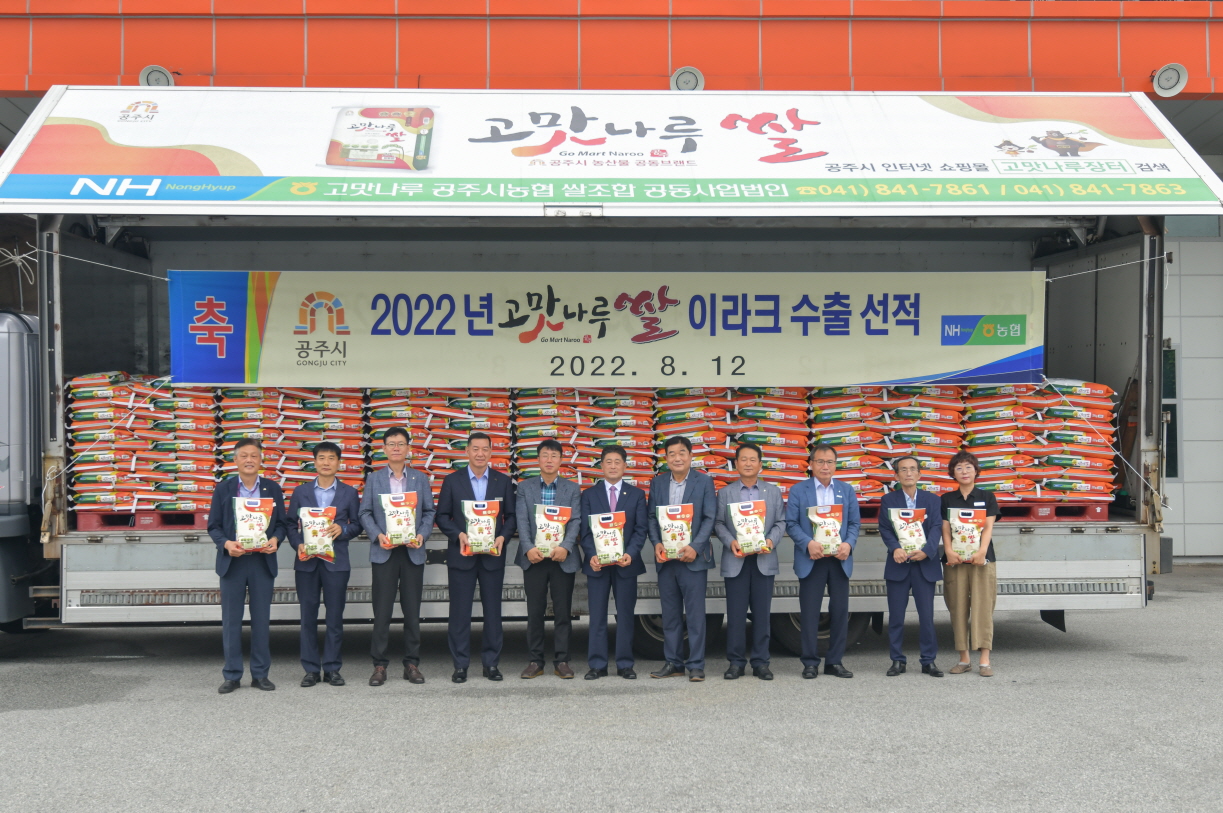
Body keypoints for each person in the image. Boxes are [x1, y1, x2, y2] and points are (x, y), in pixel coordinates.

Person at [208, 438, 288, 694]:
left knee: (261, 620)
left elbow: (281, 523)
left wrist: (276, 540)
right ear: (235, 460)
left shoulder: (272, 488)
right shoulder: (224, 489)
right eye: (244, 455)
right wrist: (226, 544)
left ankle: (260, 674)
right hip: (233, 562)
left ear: (261, 459)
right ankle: (232, 675)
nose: (249, 460)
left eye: (254, 455)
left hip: (261, 562)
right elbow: (213, 526)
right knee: (231, 621)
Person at [436, 432, 517, 683]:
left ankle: (491, 664)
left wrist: (503, 536)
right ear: (467, 451)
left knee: (493, 612)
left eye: (485, 449)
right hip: (462, 556)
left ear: (491, 452)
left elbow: (511, 516)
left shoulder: (503, 481)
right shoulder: (452, 481)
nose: (480, 453)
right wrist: (458, 534)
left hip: (492, 556)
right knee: (460, 612)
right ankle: (460, 665)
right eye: (475, 449)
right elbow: (442, 516)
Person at [359, 426, 436, 687]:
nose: (396, 448)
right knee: (381, 612)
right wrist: (378, 535)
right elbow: (364, 513)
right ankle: (379, 665)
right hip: (384, 552)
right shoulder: (374, 479)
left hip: (412, 552)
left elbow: (429, 512)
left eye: (401, 444)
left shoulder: (420, 479)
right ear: (384, 449)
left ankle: (411, 663)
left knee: (412, 612)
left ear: (408, 448)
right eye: (391, 444)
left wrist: (422, 535)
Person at [287, 441, 362, 687]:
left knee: (335, 617)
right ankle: (310, 669)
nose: (326, 462)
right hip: (307, 562)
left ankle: (332, 668)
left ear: (339, 463)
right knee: (307, 616)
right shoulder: (301, 492)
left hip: (336, 563)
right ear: (315, 462)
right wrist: (297, 543)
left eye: (331, 458)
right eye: (321, 458)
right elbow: (290, 524)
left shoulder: (349, 493)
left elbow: (358, 524)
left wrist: (343, 529)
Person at [785, 443, 861, 679]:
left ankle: (835, 662)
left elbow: (854, 523)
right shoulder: (799, 490)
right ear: (811, 464)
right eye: (820, 461)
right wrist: (808, 543)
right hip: (812, 558)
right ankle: (809, 662)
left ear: (835, 465)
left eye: (829, 462)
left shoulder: (846, 490)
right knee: (810, 613)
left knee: (840, 611)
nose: (825, 466)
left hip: (839, 559)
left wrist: (848, 544)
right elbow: (791, 523)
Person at [646, 436, 717, 682]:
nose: (677, 458)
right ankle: (673, 663)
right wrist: (656, 543)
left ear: (690, 456)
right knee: (670, 614)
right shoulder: (657, 483)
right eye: (672, 454)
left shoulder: (704, 481)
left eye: (682, 453)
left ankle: (696, 665)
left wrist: (695, 547)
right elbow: (652, 517)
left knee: (695, 615)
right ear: (666, 458)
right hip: (666, 560)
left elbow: (709, 518)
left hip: (693, 559)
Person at [714, 442, 785, 681]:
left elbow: (781, 522)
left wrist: (770, 541)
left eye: (752, 459)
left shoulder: (772, 492)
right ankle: (736, 663)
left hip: (764, 559)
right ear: (736, 464)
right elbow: (718, 523)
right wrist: (730, 542)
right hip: (736, 559)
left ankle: (761, 662)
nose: (748, 463)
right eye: (743, 459)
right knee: (735, 615)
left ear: (760, 464)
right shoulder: (725, 493)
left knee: (762, 615)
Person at [578, 445, 648, 680]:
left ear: (625, 466)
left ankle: (625, 664)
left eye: (618, 461)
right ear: (601, 466)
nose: (613, 466)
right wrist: (591, 554)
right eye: (608, 461)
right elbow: (585, 531)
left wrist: (631, 553)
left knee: (626, 615)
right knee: (597, 616)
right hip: (597, 565)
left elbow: (641, 530)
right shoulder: (589, 494)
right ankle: (597, 665)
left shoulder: (636, 494)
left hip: (626, 564)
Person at [514, 439, 582, 679]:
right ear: (538, 459)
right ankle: (535, 661)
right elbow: (522, 520)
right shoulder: (525, 487)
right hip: (534, 558)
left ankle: (562, 661)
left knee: (563, 612)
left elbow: (575, 520)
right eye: (545, 455)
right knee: (535, 612)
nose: (549, 460)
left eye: (554, 455)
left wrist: (566, 547)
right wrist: (528, 548)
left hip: (562, 558)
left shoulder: (572, 488)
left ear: (561, 460)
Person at [877, 455, 944, 678]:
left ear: (919, 474)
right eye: (903, 470)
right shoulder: (889, 500)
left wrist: (927, 551)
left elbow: (936, 527)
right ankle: (897, 660)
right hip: (898, 564)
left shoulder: (932, 500)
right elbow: (885, 528)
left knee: (926, 617)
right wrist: (895, 547)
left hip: (925, 564)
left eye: (912, 469)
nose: (908, 473)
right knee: (896, 617)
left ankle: (928, 661)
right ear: (896, 475)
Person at [940, 450, 1000, 677]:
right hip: (955, 561)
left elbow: (988, 527)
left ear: (976, 471)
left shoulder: (987, 497)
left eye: (968, 467)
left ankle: (985, 660)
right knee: (957, 607)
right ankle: (964, 659)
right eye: (959, 468)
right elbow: (945, 528)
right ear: (952, 473)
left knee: (983, 607)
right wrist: (948, 551)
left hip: (982, 560)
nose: (964, 471)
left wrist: (982, 552)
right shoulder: (947, 499)